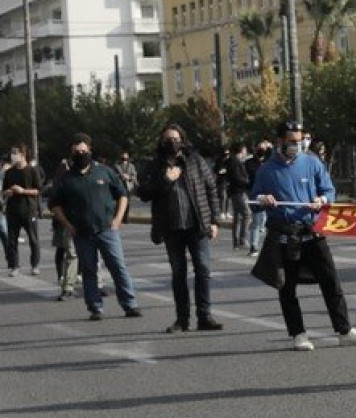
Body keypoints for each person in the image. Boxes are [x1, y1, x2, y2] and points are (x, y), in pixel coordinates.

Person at [250, 121, 356, 352]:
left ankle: (344, 330)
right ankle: (298, 333)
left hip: (312, 232)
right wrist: (262, 199)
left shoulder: (312, 162)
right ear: (280, 141)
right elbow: (255, 201)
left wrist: (322, 201)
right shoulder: (267, 170)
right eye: (291, 141)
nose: (296, 146)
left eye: (299, 141)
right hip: (284, 236)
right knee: (287, 288)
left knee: (331, 282)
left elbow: (328, 190)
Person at [136, 125, 223, 333]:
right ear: (161, 142)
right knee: (178, 273)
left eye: (175, 138)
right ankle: (182, 319)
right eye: (167, 139)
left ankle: (205, 316)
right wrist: (167, 179)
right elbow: (144, 192)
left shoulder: (195, 160)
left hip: (197, 225)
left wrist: (214, 220)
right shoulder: (155, 165)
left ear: (183, 140)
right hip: (171, 227)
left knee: (203, 270)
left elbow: (211, 188)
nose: (171, 142)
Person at [47, 134, 141, 320]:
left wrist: (117, 220)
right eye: (77, 151)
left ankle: (130, 305)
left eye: (84, 150)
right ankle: (95, 307)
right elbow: (54, 204)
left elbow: (122, 194)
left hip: (107, 230)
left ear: (90, 150)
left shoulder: (105, 172)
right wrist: (68, 225)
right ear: (71, 153)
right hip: (82, 233)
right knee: (89, 271)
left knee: (118, 268)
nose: (81, 154)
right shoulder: (65, 178)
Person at [3, 145, 43, 276]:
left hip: (29, 210)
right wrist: (8, 192)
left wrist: (23, 191)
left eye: (15, 153)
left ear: (23, 154)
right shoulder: (9, 172)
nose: (12, 156)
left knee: (33, 239)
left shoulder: (32, 171)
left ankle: (35, 265)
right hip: (12, 211)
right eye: (11, 153)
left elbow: (38, 190)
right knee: (12, 240)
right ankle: (14, 266)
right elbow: (3, 191)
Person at [43, 160, 80, 300]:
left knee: (68, 252)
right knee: (69, 252)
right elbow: (52, 203)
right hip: (64, 223)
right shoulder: (62, 183)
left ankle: (69, 280)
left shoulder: (68, 181)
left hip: (68, 222)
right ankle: (66, 285)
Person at [221, 143, 253, 250]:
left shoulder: (232, 161)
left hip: (235, 191)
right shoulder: (235, 162)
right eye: (245, 150)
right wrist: (248, 182)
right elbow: (237, 177)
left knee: (238, 217)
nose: (246, 152)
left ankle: (236, 242)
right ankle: (242, 239)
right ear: (241, 150)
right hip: (238, 191)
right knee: (247, 214)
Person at [245, 140, 272, 256]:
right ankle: (254, 246)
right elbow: (246, 178)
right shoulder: (249, 163)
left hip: (271, 195)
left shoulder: (271, 163)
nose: (262, 151)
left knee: (268, 222)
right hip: (256, 195)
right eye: (260, 148)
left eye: (265, 149)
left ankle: (270, 247)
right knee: (257, 221)